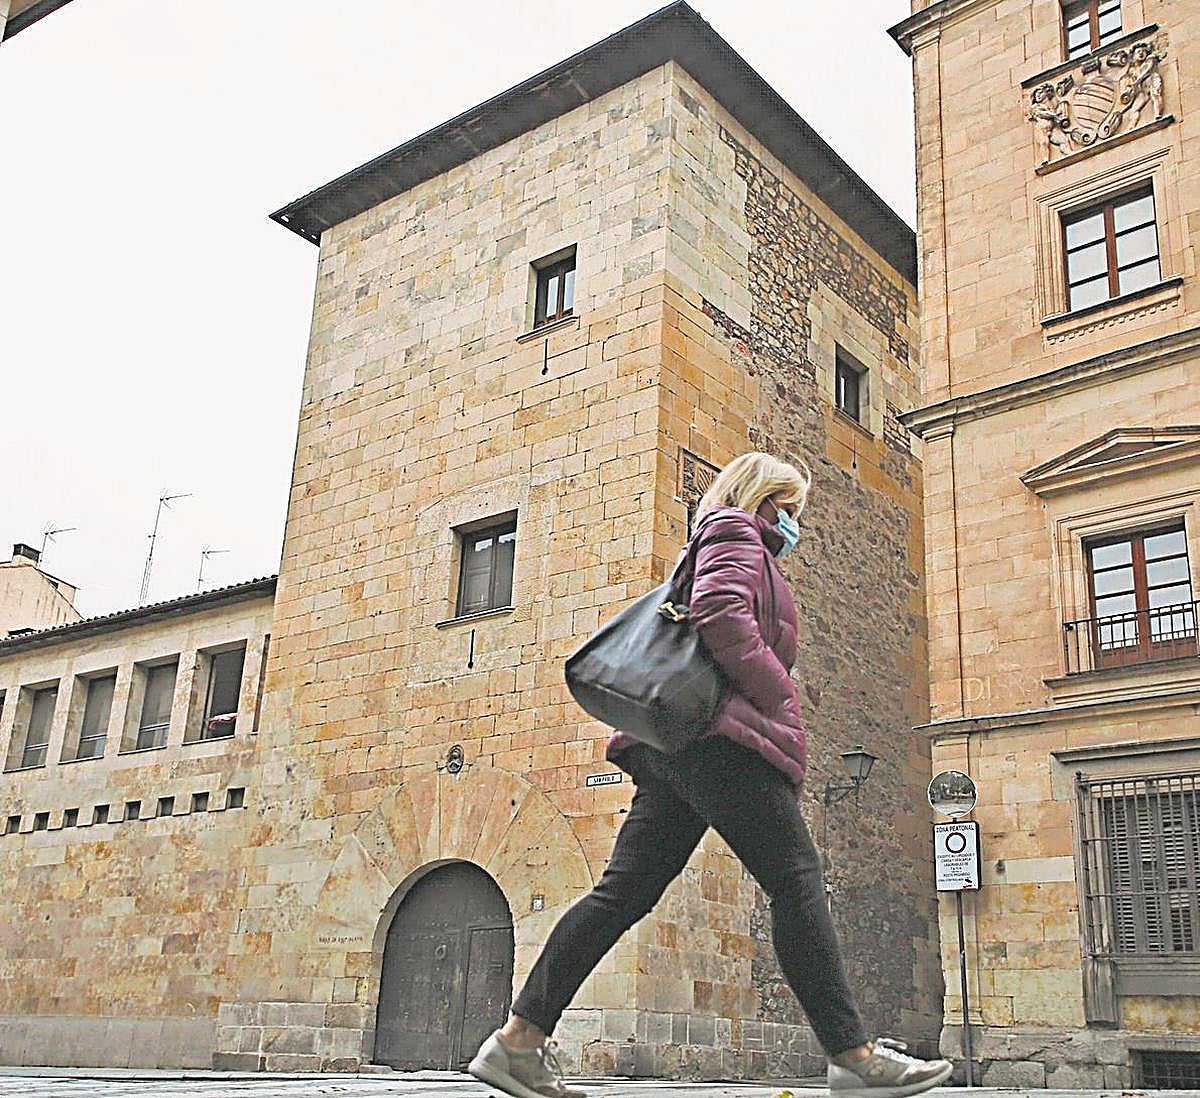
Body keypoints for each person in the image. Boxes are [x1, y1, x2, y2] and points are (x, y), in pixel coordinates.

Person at [469, 452, 953, 1098]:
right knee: (796, 880)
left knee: (624, 893)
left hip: (674, 744)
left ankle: (518, 1043)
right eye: (788, 509)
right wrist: (779, 694)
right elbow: (721, 615)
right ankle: (854, 1056)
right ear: (762, 500)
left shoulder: (721, 538)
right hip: (720, 739)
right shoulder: (733, 531)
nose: (793, 525)